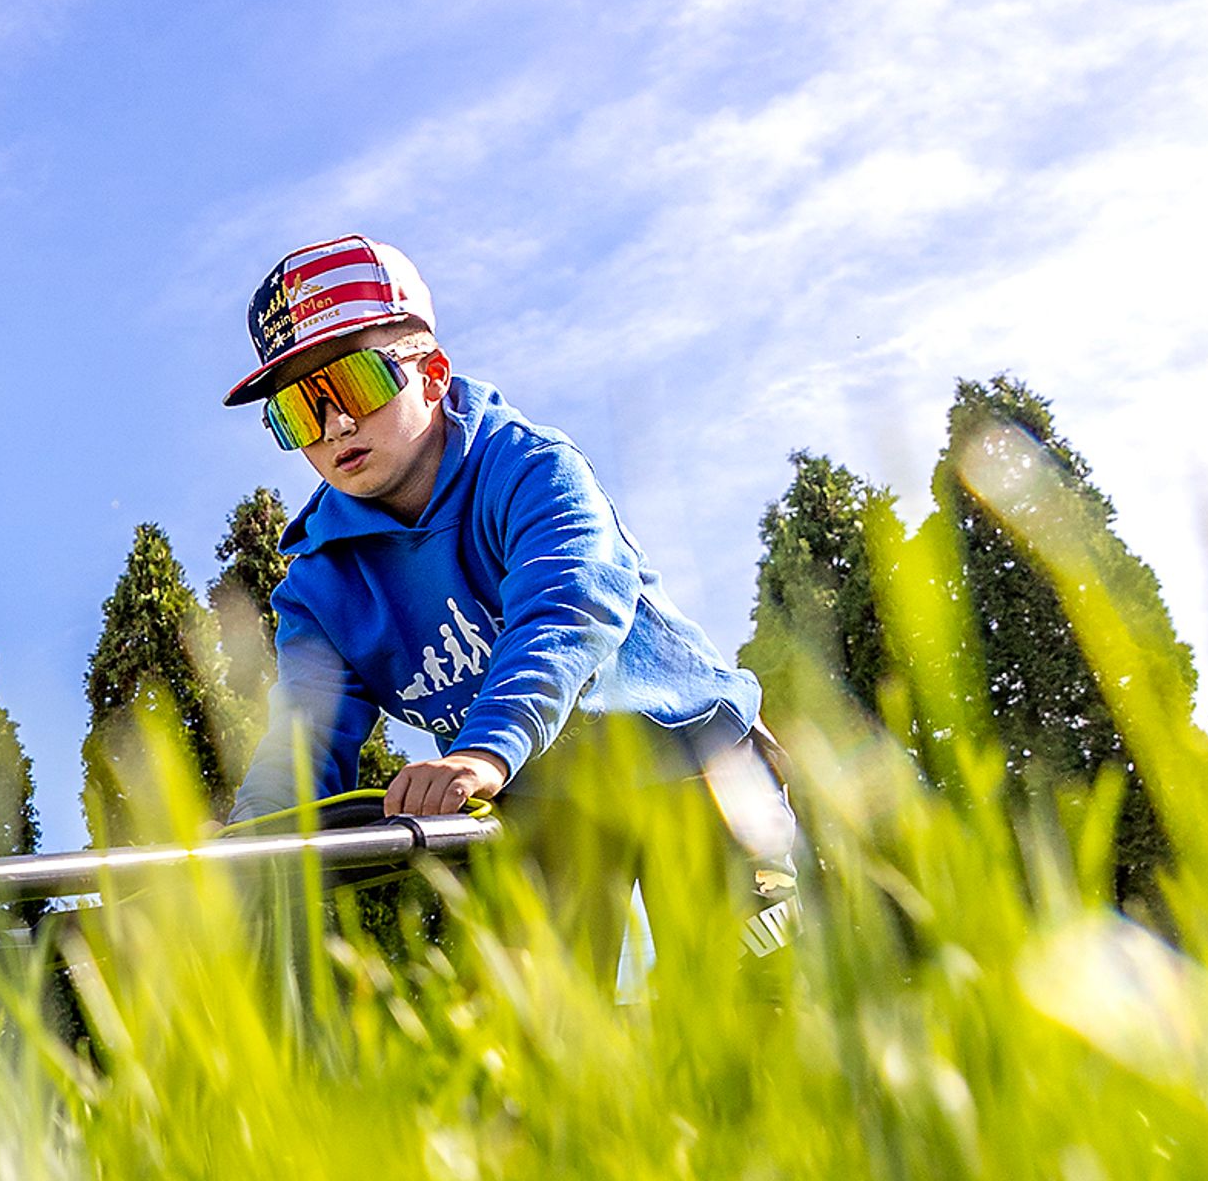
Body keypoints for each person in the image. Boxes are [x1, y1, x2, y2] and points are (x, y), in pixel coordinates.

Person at [218, 235, 795, 964]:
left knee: (758, 1007)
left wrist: (485, 749)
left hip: (688, 760)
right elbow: (307, 732)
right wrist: (242, 846)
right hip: (536, 801)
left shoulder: (532, 469)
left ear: (432, 375)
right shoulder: (317, 584)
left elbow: (565, 611)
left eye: (358, 384)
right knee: (542, 1032)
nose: (336, 425)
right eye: (301, 410)